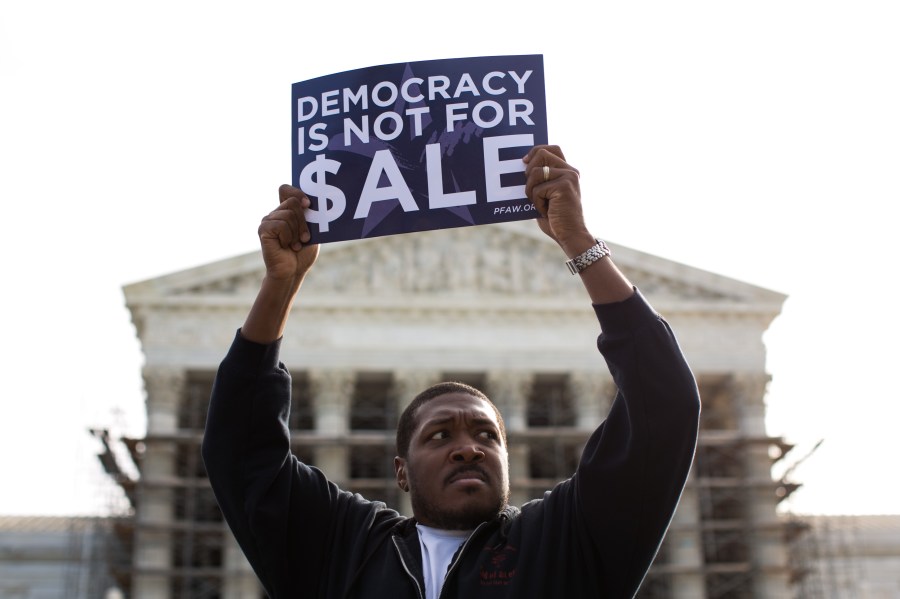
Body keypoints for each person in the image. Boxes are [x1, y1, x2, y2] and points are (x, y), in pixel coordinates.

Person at [202, 145, 701, 598]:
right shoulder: (343, 548)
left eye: (487, 434)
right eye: (440, 435)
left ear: (507, 459)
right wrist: (280, 286)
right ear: (400, 470)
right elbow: (240, 450)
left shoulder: (565, 542)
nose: (468, 446)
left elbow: (665, 406)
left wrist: (580, 244)